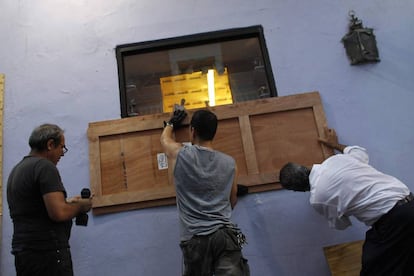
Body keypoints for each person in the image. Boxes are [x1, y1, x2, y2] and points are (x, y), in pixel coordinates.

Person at [279, 127, 414, 276]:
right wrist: (335, 144)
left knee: (374, 268)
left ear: (298, 190)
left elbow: (342, 225)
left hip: (393, 220)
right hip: (409, 202)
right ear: (304, 168)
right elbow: (360, 152)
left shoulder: (317, 198)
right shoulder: (336, 160)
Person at [160, 109, 250, 276]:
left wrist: (171, 124)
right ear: (213, 133)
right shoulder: (230, 163)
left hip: (195, 239)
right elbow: (233, 201)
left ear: (192, 131)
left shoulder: (180, 155)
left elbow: (165, 140)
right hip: (227, 235)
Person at [7, 123, 93, 276]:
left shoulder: (17, 169)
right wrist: (81, 206)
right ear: (50, 144)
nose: (62, 153)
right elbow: (58, 213)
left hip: (25, 255)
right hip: (48, 255)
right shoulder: (45, 167)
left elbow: (37, 209)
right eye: (62, 147)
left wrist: (68, 203)